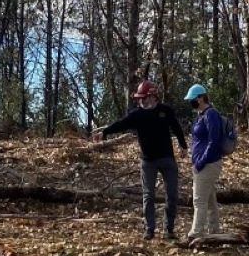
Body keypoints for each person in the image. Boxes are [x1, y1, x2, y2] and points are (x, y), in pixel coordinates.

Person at [95, 80, 187, 239]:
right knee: (148, 195)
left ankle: (169, 229)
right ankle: (149, 229)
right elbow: (120, 124)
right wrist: (105, 132)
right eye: (139, 98)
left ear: (153, 96)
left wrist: (183, 145)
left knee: (172, 195)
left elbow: (176, 127)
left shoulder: (166, 111)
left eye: (143, 97)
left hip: (167, 159)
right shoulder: (136, 115)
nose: (140, 100)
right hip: (148, 161)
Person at [184, 83, 225, 239]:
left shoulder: (211, 115)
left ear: (201, 98)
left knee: (199, 200)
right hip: (202, 162)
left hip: (208, 163)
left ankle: (196, 232)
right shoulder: (201, 115)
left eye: (192, 99)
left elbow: (213, 142)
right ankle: (214, 229)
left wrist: (200, 162)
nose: (191, 102)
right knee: (209, 199)